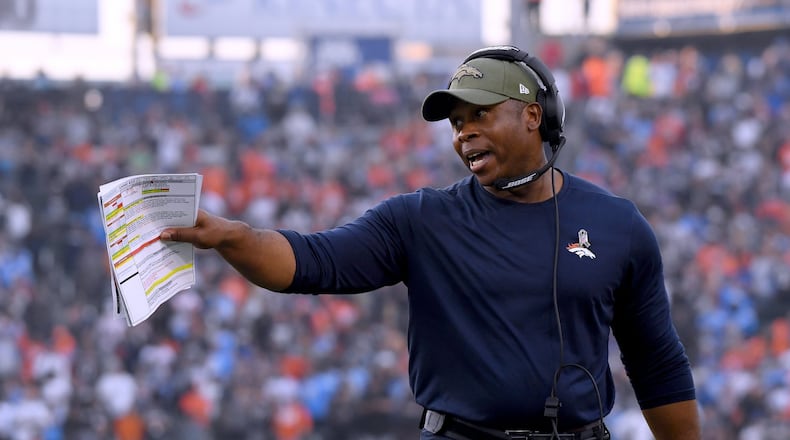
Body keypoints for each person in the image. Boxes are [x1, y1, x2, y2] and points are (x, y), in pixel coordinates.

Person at [160, 45, 701, 440]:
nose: (463, 133)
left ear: (533, 116)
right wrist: (232, 237)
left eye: (480, 114)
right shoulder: (420, 219)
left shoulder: (617, 225)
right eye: (457, 122)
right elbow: (310, 262)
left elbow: (657, 364)